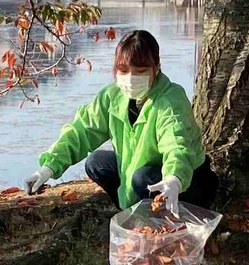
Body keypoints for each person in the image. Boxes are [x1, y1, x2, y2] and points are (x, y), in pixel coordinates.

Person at [25, 30, 220, 215]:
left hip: (184, 180)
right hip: (139, 168)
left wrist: (174, 178)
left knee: (142, 178)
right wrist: (48, 168)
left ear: (157, 68)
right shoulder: (112, 96)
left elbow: (177, 144)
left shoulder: (170, 100)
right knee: (96, 163)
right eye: (124, 70)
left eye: (140, 71)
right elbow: (82, 131)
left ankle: (165, 215)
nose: (131, 78)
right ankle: (133, 210)